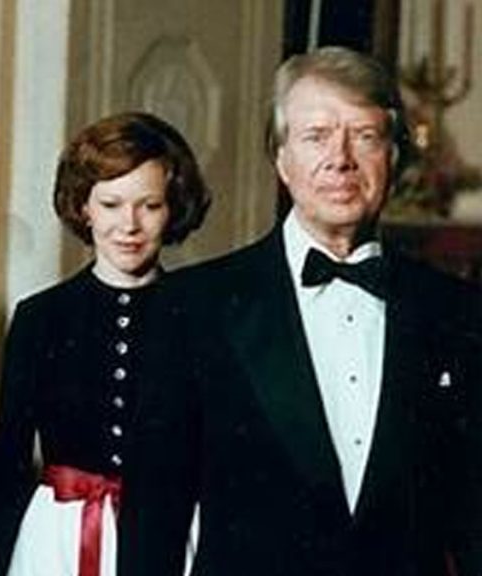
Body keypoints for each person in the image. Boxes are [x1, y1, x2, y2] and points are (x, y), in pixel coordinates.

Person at [118, 46, 482, 576]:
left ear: (394, 157)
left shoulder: (457, 311)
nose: (341, 158)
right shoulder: (192, 307)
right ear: (281, 159)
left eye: (364, 135)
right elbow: (153, 522)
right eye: (317, 136)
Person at [0, 111, 211, 576]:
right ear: (84, 207)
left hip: (170, 535)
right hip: (60, 539)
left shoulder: (201, 317)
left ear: (173, 208)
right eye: (111, 204)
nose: (129, 224)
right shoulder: (41, 318)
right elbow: (6, 458)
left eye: (149, 205)